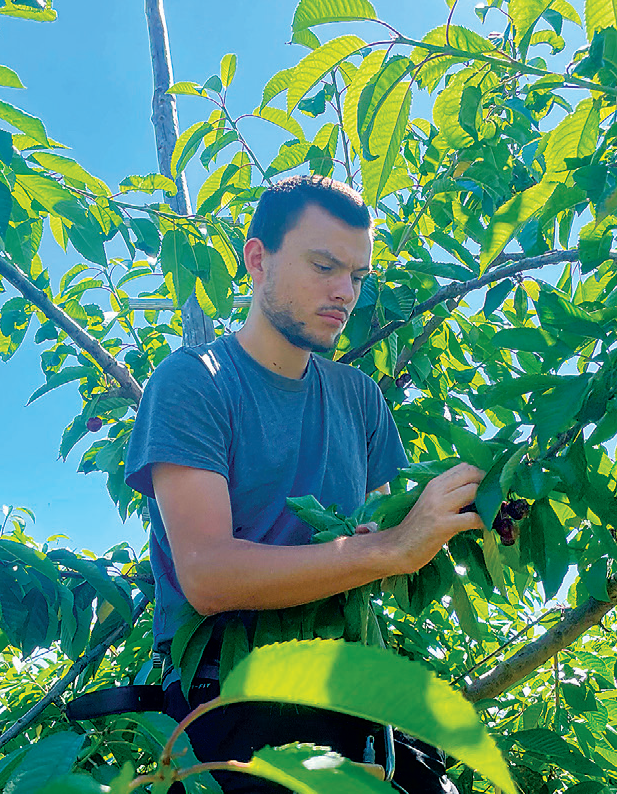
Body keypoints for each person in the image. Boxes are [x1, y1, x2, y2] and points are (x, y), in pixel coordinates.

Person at [125, 175, 484, 793]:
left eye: (359, 276)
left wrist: (491, 501)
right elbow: (207, 574)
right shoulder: (195, 382)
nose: (345, 293)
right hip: (228, 699)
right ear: (257, 259)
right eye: (324, 266)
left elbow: (389, 531)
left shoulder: (359, 398)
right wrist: (388, 549)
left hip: (346, 692)